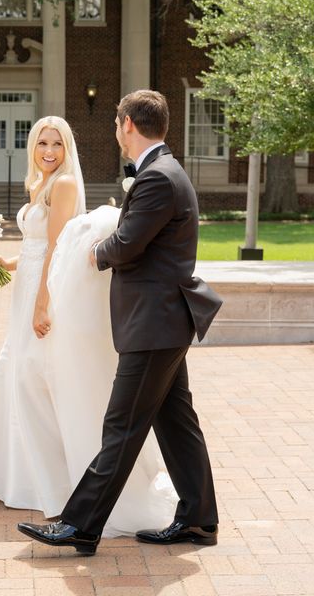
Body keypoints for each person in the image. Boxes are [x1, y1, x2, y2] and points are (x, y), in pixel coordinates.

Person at [18, 90, 223, 556]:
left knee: (122, 426)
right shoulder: (161, 172)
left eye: (116, 122)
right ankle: (198, 519)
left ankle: (80, 525)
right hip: (163, 321)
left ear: (128, 124)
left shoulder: (157, 178)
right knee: (175, 423)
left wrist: (93, 249)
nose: (116, 130)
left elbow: (127, 243)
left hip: (155, 324)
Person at [0, 116, 177, 537]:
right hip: (28, 285)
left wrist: (42, 305)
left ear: (67, 147)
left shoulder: (65, 184)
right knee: (21, 379)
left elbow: (58, 249)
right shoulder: (39, 185)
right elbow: (36, 246)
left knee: (40, 382)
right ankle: (27, 478)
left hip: (45, 292)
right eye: (41, 143)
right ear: (31, 148)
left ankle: (61, 485)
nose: (49, 151)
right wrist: (5, 262)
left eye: (56, 143)